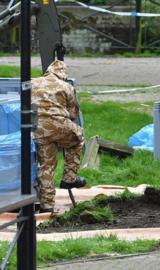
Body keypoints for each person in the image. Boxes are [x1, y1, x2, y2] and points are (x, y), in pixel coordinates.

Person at [32, 45, 86, 213]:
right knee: (77, 137)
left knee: (46, 166)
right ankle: (69, 178)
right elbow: (72, 113)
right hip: (58, 125)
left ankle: (46, 206)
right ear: (63, 74)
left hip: (38, 129)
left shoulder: (33, 83)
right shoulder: (66, 86)